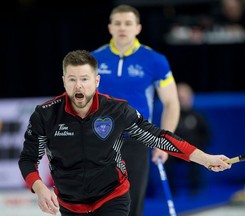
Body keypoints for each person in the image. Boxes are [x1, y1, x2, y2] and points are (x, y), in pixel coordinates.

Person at [18, 50, 231, 216]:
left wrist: (204, 158)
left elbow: (158, 136)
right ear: (64, 80)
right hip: (70, 204)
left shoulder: (117, 110)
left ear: (97, 81)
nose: (78, 86)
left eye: (84, 78)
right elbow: (28, 159)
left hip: (113, 197)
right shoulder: (45, 115)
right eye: (72, 79)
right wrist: (40, 188)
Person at [90, 5, 180, 216]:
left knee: (131, 206)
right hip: (99, 139)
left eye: (128, 23)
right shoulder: (93, 59)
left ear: (138, 28)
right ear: (110, 27)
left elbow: (171, 103)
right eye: (118, 23)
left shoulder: (155, 60)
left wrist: (164, 141)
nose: (123, 28)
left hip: (136, 140)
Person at [166, 82, 211, 195]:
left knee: (199, 159)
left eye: (184, 97)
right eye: (179, 98)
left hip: (194, 151)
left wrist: (200, 147)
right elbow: (165, 134)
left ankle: (195, 190)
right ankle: (171, 190)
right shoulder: (171, 117)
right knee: (166, 158)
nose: (182, 100)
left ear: (190, 98)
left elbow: (207, 134)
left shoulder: (197, 116)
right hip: (175, 151)